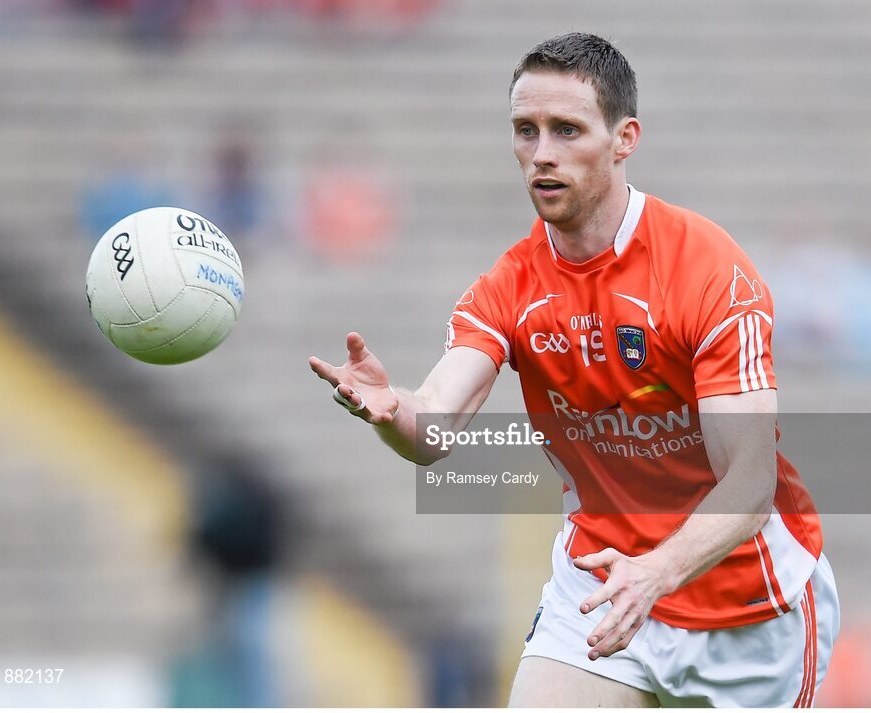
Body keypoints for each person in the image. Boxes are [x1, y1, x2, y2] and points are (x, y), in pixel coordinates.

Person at [309, 32, 839, 708]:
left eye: (567, 129)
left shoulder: (708, 269)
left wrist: (657, 572)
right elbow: (433, 427)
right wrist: (390, 410)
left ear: (625, 139)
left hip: (751, 611)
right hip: (598, 582)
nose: (543, 153)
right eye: (526, 131)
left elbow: (751, 479)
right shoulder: (509, 287)